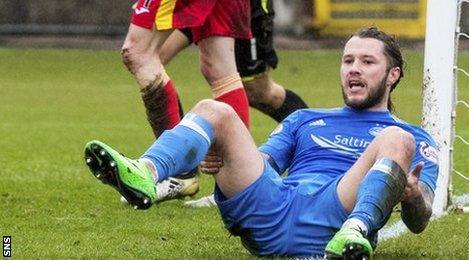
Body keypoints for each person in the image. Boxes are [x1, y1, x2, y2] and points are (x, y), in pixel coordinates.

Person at [84, 27, 438, 258]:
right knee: (214, 110)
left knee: (396, 137)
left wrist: (409, 196)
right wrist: (224, 158)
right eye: (348, 61)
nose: (354, 69)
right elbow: (263, 162)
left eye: (367, 62)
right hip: (274, 210)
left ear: (393, 75)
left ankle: (355, 232)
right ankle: (146, 172)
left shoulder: (414, 138)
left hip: (336, 211)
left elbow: (421, 219)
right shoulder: (304, 118)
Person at [136, 0, 308, 206]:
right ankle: (181, 173)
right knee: (151, 58)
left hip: (245, 6)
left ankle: (315, 139)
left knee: (258, 90)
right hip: (199, 4)